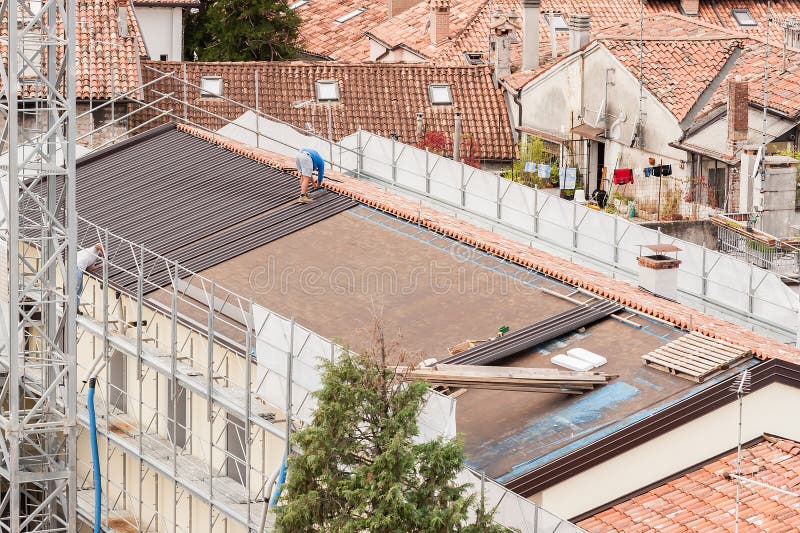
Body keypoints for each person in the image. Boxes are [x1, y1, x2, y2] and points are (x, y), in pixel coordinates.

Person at [76, 243, 105, 310]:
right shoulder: (94, 250)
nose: (101, 256)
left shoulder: (95, 259)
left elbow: (89, 269)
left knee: (79, 289)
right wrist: (104, 253)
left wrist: (100, 265)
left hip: (80, 269)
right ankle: (70, 306)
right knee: (76, 288)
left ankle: (76, 307)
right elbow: (98, 245)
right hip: (77, 267)